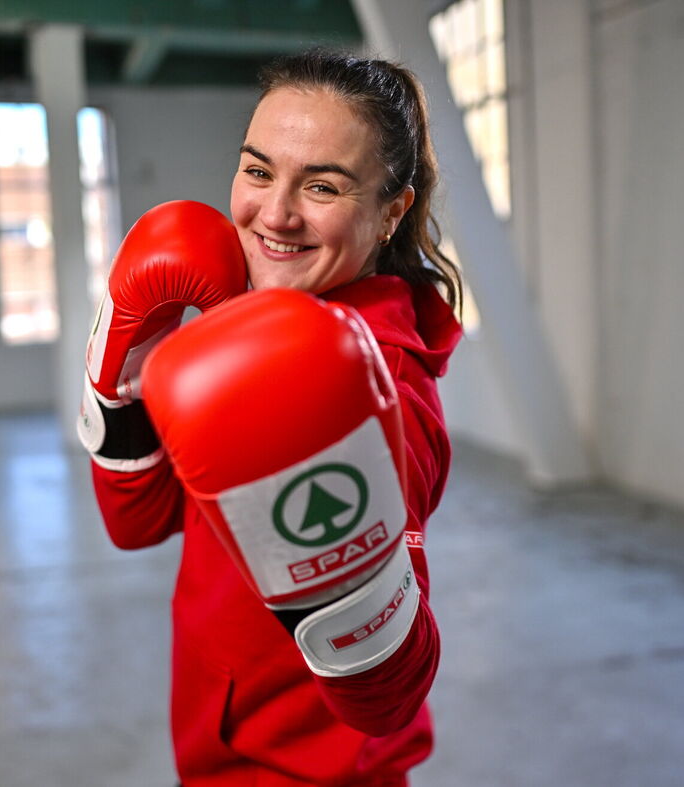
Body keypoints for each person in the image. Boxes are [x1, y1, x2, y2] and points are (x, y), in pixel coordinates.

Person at [78, 49, 464, 787]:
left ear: (392, 209)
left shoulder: (377, 378)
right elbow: (138, 523)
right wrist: (119, 381)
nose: (274, 213)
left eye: (322, 185)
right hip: (219, 734)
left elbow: (390, 691)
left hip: (312, 769)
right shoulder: (247, 324)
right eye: (258, 170)